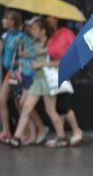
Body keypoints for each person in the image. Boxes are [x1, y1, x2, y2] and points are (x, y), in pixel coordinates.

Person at [8, 17, 66, 148]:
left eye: (34, 29)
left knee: (50, 111)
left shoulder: (51, 44)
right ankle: (16, 138)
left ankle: (62, 137)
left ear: (43, 31)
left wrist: (41, 63)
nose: (32, 31)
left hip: (47, 81)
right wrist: (23, 55)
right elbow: (29, 55)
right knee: (26, 108)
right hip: (36, 81)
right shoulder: (34, 44)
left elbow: (60, 62)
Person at [45, 16, 83, 147]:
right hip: (57, 72)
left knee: (64, 105)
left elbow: (71, 51)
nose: (49, 18)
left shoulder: (66, 33)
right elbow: (50, 52)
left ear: (57, 19)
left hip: (68, 71)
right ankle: (60, 136)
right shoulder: (52, 35)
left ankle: (77, 130)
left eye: (52, 17)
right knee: (59, 106)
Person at [0, 10, 25, 143]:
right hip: (6, 72)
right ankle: (6, 130)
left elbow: (24, 53)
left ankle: (24, 131)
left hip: (15, 72)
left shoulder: (20, 36)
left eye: (6, 19)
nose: (3, 21)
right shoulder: (5, 35)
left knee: (18, 103)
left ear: (13, 21)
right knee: (3, 101)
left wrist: (18, 61)